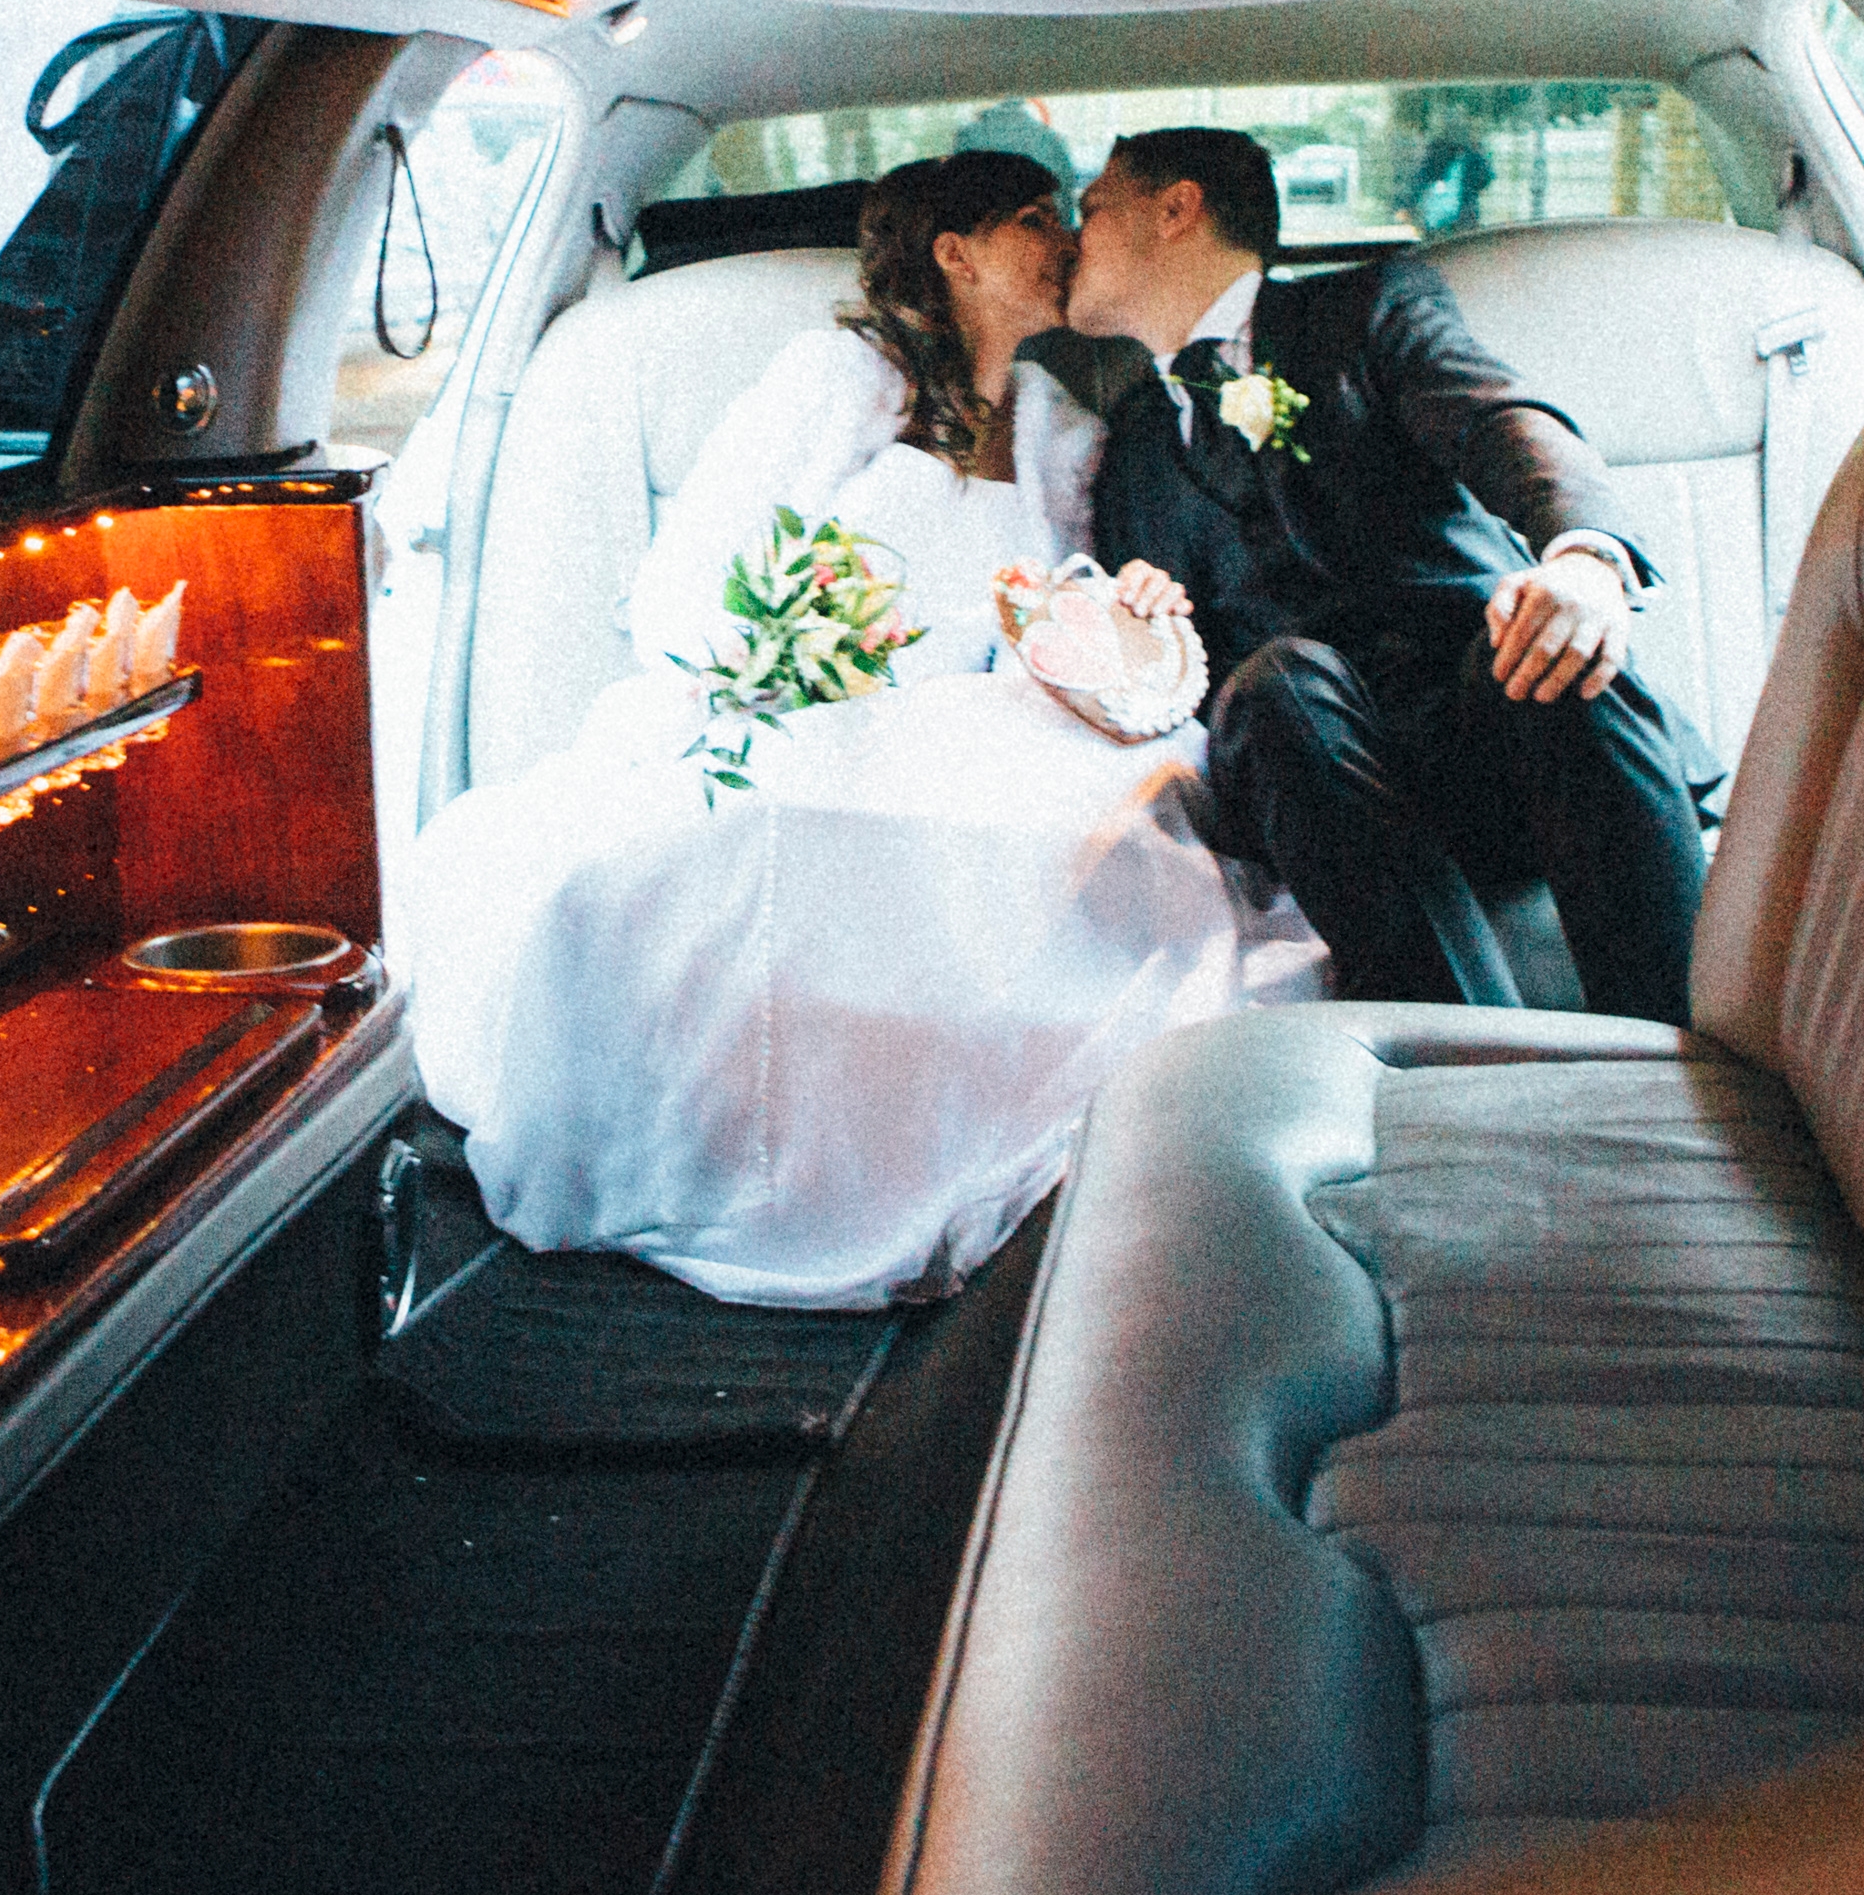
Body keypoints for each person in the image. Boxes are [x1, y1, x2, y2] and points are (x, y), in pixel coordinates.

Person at [396, 151, 1318, 1309]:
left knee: (1125, 835)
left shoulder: (1063, 427)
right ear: (957, 251)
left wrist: (1125, 621)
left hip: (992, 721)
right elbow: (688, 594)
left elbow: (1060, 613)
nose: (1066, 240)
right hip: (800, 701)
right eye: (1038, 218)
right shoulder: (838, 377)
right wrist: (790, 652)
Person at [1042, 127, 1716, 1017]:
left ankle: (1690, 1051)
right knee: (1281, 685)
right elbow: (1168, 678)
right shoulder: (1128, 445)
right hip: (1306, 774)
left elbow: (1504, 424)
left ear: (1176, 210)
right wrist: (1143, 629)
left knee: (1548, 637)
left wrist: (1585, 559)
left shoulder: (1365, 312)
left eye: (1089, 209)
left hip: (1488, 724)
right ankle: (1462, 1063)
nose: (1070, 239)